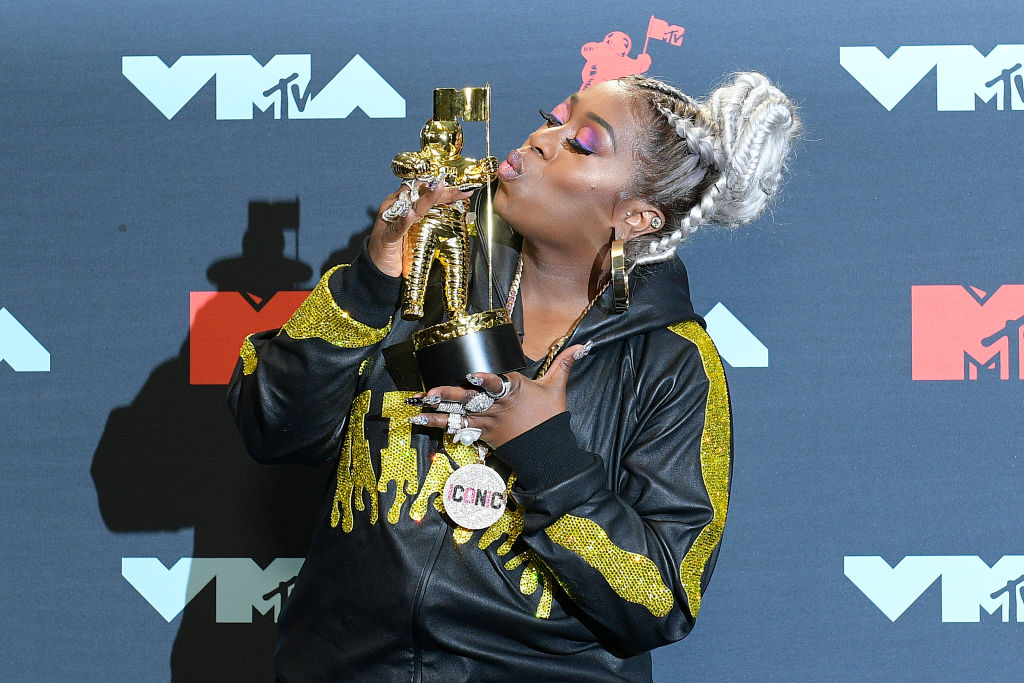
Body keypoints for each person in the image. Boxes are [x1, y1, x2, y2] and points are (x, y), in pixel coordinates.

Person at [227, 71, 800, 681]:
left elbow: (659, 601)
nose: (543, 139)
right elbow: (273, 425)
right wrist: (372, 278)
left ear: (636, 217)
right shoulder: (424, 270)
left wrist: (547, 456)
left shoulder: (674, 361)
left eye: (583, 143)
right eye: (556, 120)